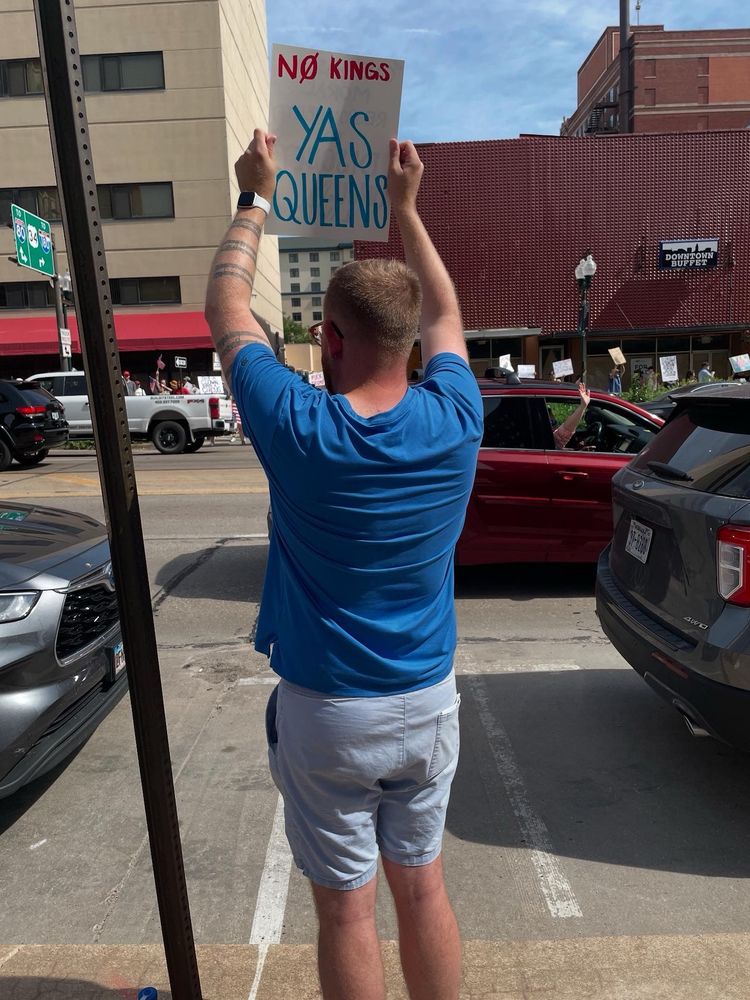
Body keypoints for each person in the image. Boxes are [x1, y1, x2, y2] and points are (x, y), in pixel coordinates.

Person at [204, 128, 483, 1000]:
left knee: (348, 913)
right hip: (427, 701)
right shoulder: (457, 417)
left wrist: (254, 198)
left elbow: (224, 305)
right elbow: (446, 315)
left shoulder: (299, 426)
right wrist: (407, 211)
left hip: (330, 713)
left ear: (328, 338)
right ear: (407, 345)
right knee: (424, 886)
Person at [552, 381, 590, 449]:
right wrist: (582, 406)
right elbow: (564, 433)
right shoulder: (547, 443)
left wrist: (583, 406)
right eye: (552, 422)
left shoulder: (546, 442)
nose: (555, 425)